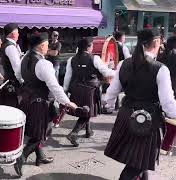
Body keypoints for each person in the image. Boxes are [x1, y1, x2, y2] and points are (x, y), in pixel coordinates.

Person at [104, 29, 176, 180]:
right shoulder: (160, 69)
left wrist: (109, 106)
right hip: (147, 121)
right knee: (135, 166)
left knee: (140, 161)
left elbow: (111, 92)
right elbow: (168, 104)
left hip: (126, 116)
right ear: (156, 42)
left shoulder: (124, 63)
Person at [14, 32, 78, 177]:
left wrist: (29, 85)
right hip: (40, 103)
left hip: (26, 100)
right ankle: (21, 158)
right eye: (47, 45)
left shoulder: (24, 58)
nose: (48, 47)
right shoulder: (43, 63)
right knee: (42, 132)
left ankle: (40, 156)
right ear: (42, 46)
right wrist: (67, 102)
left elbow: (18, 75)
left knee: (37, 131)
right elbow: (54, 86)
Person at [63, 37, 115, 147]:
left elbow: (68, 76)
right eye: (92, 46)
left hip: (76, 88)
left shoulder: (71, 59)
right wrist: (117, 72)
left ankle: (88, 131)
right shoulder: (95, 58)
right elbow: (105, 73)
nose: (92, 48)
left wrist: (65, 90)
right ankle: (74, 133)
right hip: (90, 89)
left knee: (86, 110)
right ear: (88, 47)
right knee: (87, 112)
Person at [0, 23, 23, 107]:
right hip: (12, 84)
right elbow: (17, 68)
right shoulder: (10, 47)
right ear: (12, 34)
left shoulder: (7, 44)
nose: (19, 34)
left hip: (8, 81)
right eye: (17, 32)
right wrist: (22, 81)